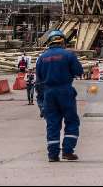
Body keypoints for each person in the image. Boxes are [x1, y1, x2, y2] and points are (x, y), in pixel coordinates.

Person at [36, 30, 84, 162]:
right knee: (72, 121)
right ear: (62, 41)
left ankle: (52, 155)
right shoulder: (68, 55)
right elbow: (79, 71)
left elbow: (38, 81)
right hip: (65, 91)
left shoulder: (41, 58)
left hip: (48, 93)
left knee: (52, 124)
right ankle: (68, 152)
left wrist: (40, 102)